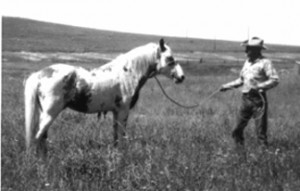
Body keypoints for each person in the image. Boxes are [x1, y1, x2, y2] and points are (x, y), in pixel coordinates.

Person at [220, 37, 279, 146]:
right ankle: (240, 153)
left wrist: (259, 86)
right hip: (245, 100)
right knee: (237, 129)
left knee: (261, 133)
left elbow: (274, 80)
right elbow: (241, 80)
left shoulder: (265, 62)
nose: (246, 51)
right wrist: (226, 86)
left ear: (257, 50)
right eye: (246, 48)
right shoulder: (247, 62)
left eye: (249, 49)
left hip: (258, 101)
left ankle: (264, 157)